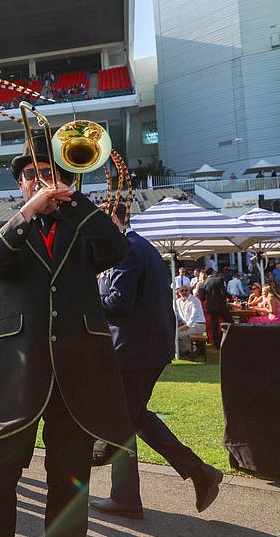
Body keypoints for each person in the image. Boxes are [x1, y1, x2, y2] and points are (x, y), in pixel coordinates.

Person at [0, 135, 133, 537]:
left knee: (69, 478)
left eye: (50, 174)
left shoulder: (82, 228)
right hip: (18, 372)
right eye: (33, 176)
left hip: (76, 373)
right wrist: (28, 213)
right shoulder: (0, 230)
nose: (41, 181)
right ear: (20, 186)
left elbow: (119, 248)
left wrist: (75, 200)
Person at [92, 204, 223, 519]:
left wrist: (84, 298)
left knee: (123, 419)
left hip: (134, 351)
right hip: (142, 349)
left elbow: (119, 302)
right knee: (132, 419)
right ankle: (130, 495)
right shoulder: (137, 247)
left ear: (112, 220)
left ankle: (198, 473)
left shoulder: (126, 249)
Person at [200, 267, 232, 348]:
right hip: (220, 304)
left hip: (210, 306)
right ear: (213, 272)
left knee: (214, 324)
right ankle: (232, 338)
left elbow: (202, 296)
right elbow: (223, 292)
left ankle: (216, 344)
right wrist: (229, 297)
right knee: (230, 321)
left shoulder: (204, 282)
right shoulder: (219, 279)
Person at [174, 285, 208, 356]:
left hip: (199, 324)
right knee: (173, 333)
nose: (184, 292)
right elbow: (175, 314)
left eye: (186, 290)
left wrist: (187, 326)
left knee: (179, 334)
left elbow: (194, 314)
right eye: (182, 291)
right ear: (178, 292)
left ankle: (193, 350)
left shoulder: (195, 300)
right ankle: (186, 349)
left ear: (189, 291)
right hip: (187, 324)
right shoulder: (177, 302)